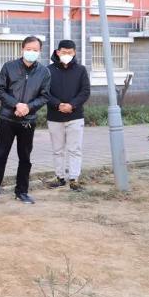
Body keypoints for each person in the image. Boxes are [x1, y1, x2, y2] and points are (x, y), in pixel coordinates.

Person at [0, 36, 51, 205]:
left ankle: (21, 191)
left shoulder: (44, 72)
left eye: (35, 50)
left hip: (28, 120)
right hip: (7, 118)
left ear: (40, 51)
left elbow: (44, 96)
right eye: (29, 49)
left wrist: (28, 107)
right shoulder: (9, 67)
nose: (32, 52)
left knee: (25, 157)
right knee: (0, 155)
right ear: (22, 49)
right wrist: (16, 104)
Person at [46, 40, 91, 192]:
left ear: (75, 53)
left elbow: (85, 91)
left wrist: (72, 105)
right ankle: (59, 177)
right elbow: (45, 93)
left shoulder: (81, 70)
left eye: (70, 52)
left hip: (75, 116)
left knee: (75, 149)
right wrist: (58, 105)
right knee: (57, 149)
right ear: (57, 52)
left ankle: (74, 179)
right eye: (64, 52)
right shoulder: (48, 70)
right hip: (54, 116)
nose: (67, 55)